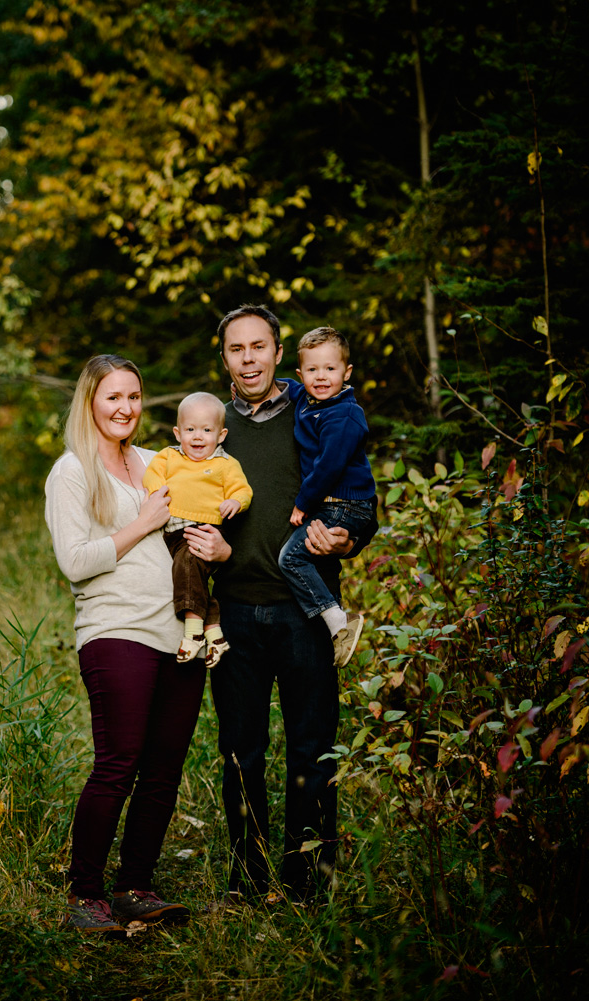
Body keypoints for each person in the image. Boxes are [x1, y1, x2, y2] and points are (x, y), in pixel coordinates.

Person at [182, 305, 370, 905]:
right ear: (225, 359)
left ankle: (309, 882)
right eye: (236, 349)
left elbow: (358, 494)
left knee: (312, 749)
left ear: (278, 352)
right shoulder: (210, 429)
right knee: (241, 752)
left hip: (305, 613)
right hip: (234, 611)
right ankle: (247, 877)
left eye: (259, 346)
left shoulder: (314, 411)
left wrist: (347, 537)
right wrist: (203, 543)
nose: (249, 358)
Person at [44, 354, 203, 935]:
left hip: (177, 632)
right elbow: (75, 562)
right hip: (115, 630)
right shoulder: (72, 472)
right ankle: (85, 896)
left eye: (134, 397)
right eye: (113, 397)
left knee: (164, 768)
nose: (126, 409)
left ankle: (135, 886)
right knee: (119, 762)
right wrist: (142, 522)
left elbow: (183, 534)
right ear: (91, 401)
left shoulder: (155, 462)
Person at [278, 326, 377, 668]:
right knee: (304, 557)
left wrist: (303, 503)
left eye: (330, 369)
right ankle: (334, 625)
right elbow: (291, 390)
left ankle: (339, 623)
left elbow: (329, 467)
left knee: (290, 559)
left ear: (347, 372)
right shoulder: (311, 400)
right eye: (312, 370)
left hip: (343, 505)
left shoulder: (344, 415)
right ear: (300, 373)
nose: (321, 377)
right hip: (335, 504)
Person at [141, 392, 254, 667]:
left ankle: (192, 635)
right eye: (190, 429)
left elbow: (243, 489)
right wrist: (156, 492)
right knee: (190, 579)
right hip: (172, 531)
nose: (198, 436)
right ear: (178, 433)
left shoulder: (225, 465)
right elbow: (152, 474)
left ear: (221, 434)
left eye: (206, 430)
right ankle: (215, 634)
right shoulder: (168, 457)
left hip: (204, 531)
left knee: (188, 563)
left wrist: (235, 501)